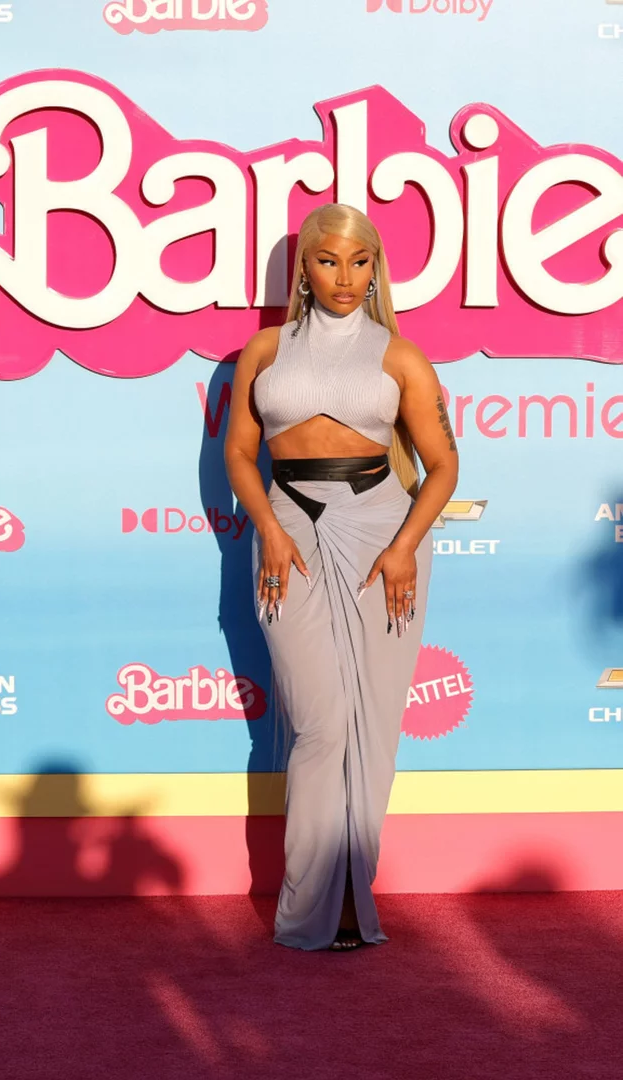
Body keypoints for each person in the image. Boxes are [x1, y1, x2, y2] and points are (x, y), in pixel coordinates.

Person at [224, 203, 458, 951]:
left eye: (360, 262)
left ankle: (354, 898)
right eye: (328, 261)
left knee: (373, 725)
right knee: (321, 722)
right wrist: (268, 529)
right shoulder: (265, 351)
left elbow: (443, 465)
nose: (345, 277)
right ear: (305, 269)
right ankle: (308, 905)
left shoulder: (400, 357)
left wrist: (404, 547)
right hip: (286, 532)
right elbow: (239, 454)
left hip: (382, 536)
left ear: (376, 269)